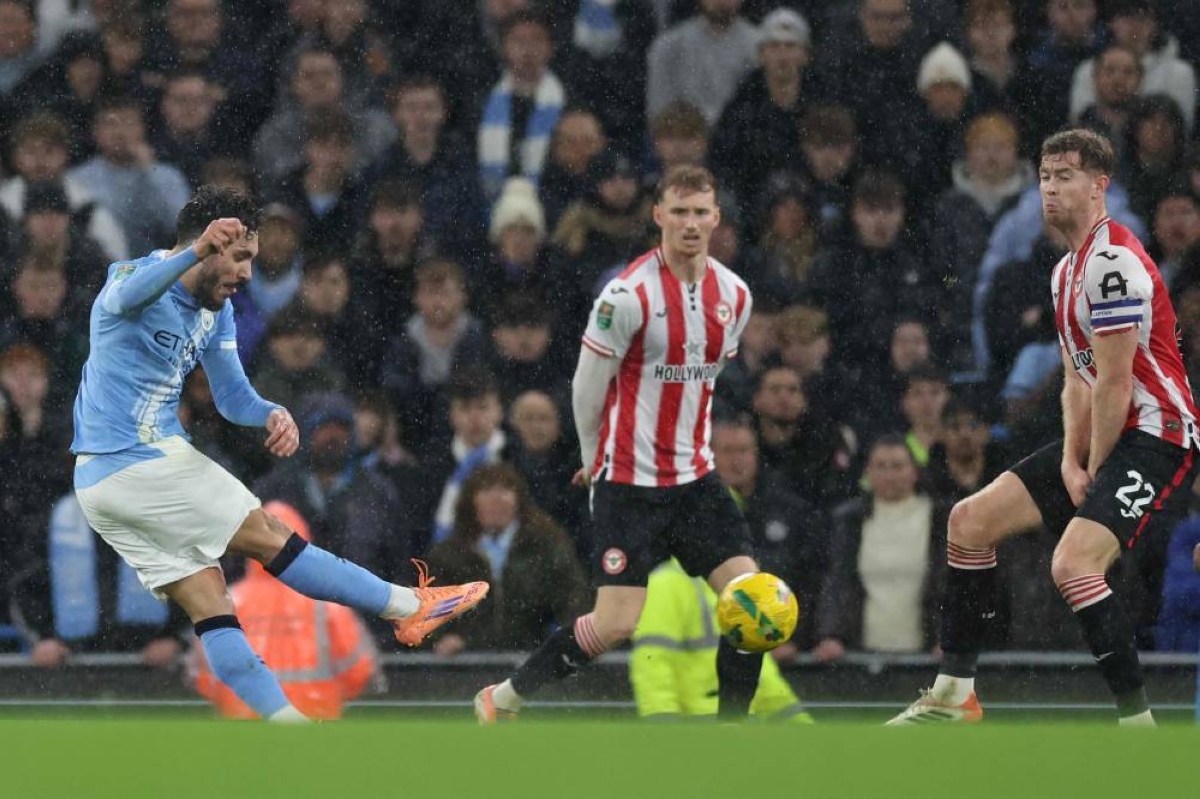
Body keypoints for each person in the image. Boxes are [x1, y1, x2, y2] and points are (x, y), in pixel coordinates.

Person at [70, 185, 488, 724]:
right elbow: (126, 301)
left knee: (211, 604)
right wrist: (194, 252)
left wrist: (270, 412)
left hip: (106, 485)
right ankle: (408, 606)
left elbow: (231, 397)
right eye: (240, 257)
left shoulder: (214, 311)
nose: (246, 274)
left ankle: (288, 731)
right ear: (208, 242)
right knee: (268, 533)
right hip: (135, 458)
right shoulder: (129, 279)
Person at [887, 128, 1200, 727]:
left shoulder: (1112, 263)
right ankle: (954, 696)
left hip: (1157, 435)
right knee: (968, 522)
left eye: (1066, 176)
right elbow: (1077, 380)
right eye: (1046, 176)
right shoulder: (1065, 272)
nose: (1051, 189)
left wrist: (1096, 464)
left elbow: (1113, 382)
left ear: (1100, 186)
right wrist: (1068, 461)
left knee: (1071, 566)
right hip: (1113, 430)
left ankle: (1140, 727)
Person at [474, 165, 763, 724]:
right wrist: (593, 458)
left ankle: (732, 735)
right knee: (615, 624)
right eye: (679, 212)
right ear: (658, 216)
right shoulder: (626, 295)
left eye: (701, 212)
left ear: (717, 218)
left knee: (752, 603)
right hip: (629, 481)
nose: (691, 224)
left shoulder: (736, 294)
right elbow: (587, 385)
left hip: (695, 479)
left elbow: (702, 377)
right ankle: (504, 697)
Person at [190, 501, 380, 720]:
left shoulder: (225, 600)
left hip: (244, 725)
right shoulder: (325, 603)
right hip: (314, 722)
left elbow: (204, 675)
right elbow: (359, 671)